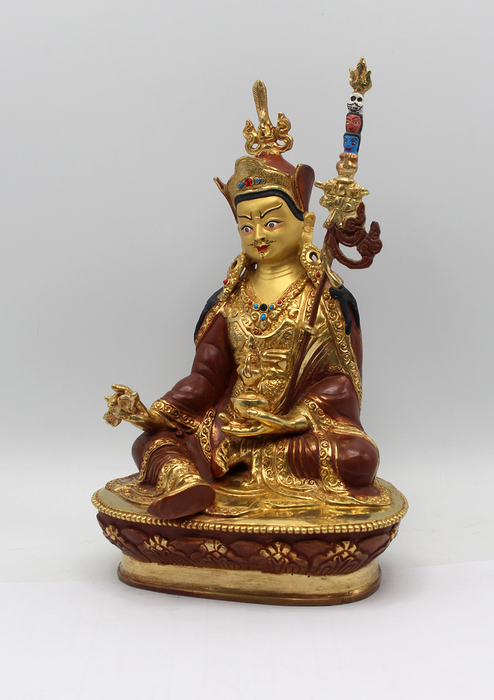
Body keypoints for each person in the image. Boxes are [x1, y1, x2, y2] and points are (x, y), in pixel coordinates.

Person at [103, 84, 390, 520]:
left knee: (357, 458)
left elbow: (342, 383)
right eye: (246, 225)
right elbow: (205, 377)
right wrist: (154, 412)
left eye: (272, 222)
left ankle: (208, 474)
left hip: (293, 433)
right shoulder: (227, 300)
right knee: (149, 442)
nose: (258, 235)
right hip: (230, 425)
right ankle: (187, 483)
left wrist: (293, 419)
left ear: (305, 224)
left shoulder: (328, 300)